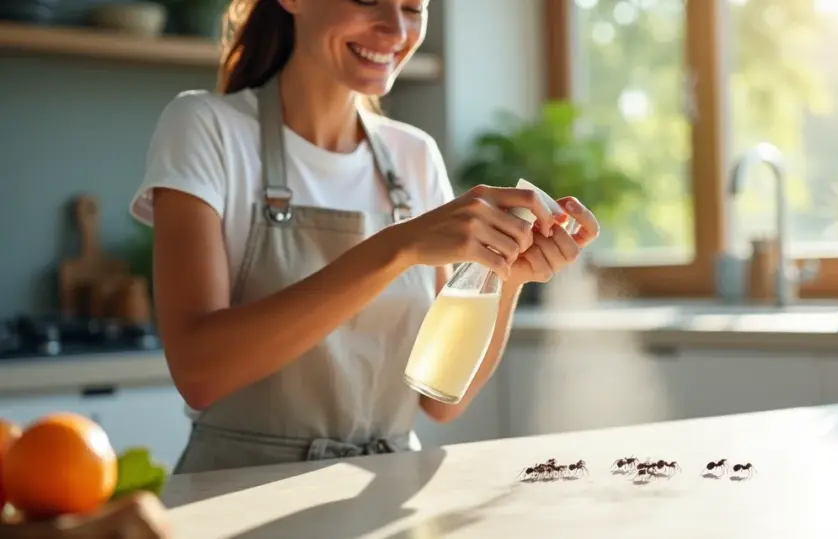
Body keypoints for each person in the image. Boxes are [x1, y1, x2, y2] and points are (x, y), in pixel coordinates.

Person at [128, 0, 600, 474]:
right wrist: (396, 248)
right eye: (368, 1)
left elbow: (439, 401)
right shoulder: (204, 127)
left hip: (384, 490)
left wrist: (504, 277)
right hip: (237, 491)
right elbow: (198, 372)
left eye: (413, 8)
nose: (395, 30)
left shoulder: (414, 155)